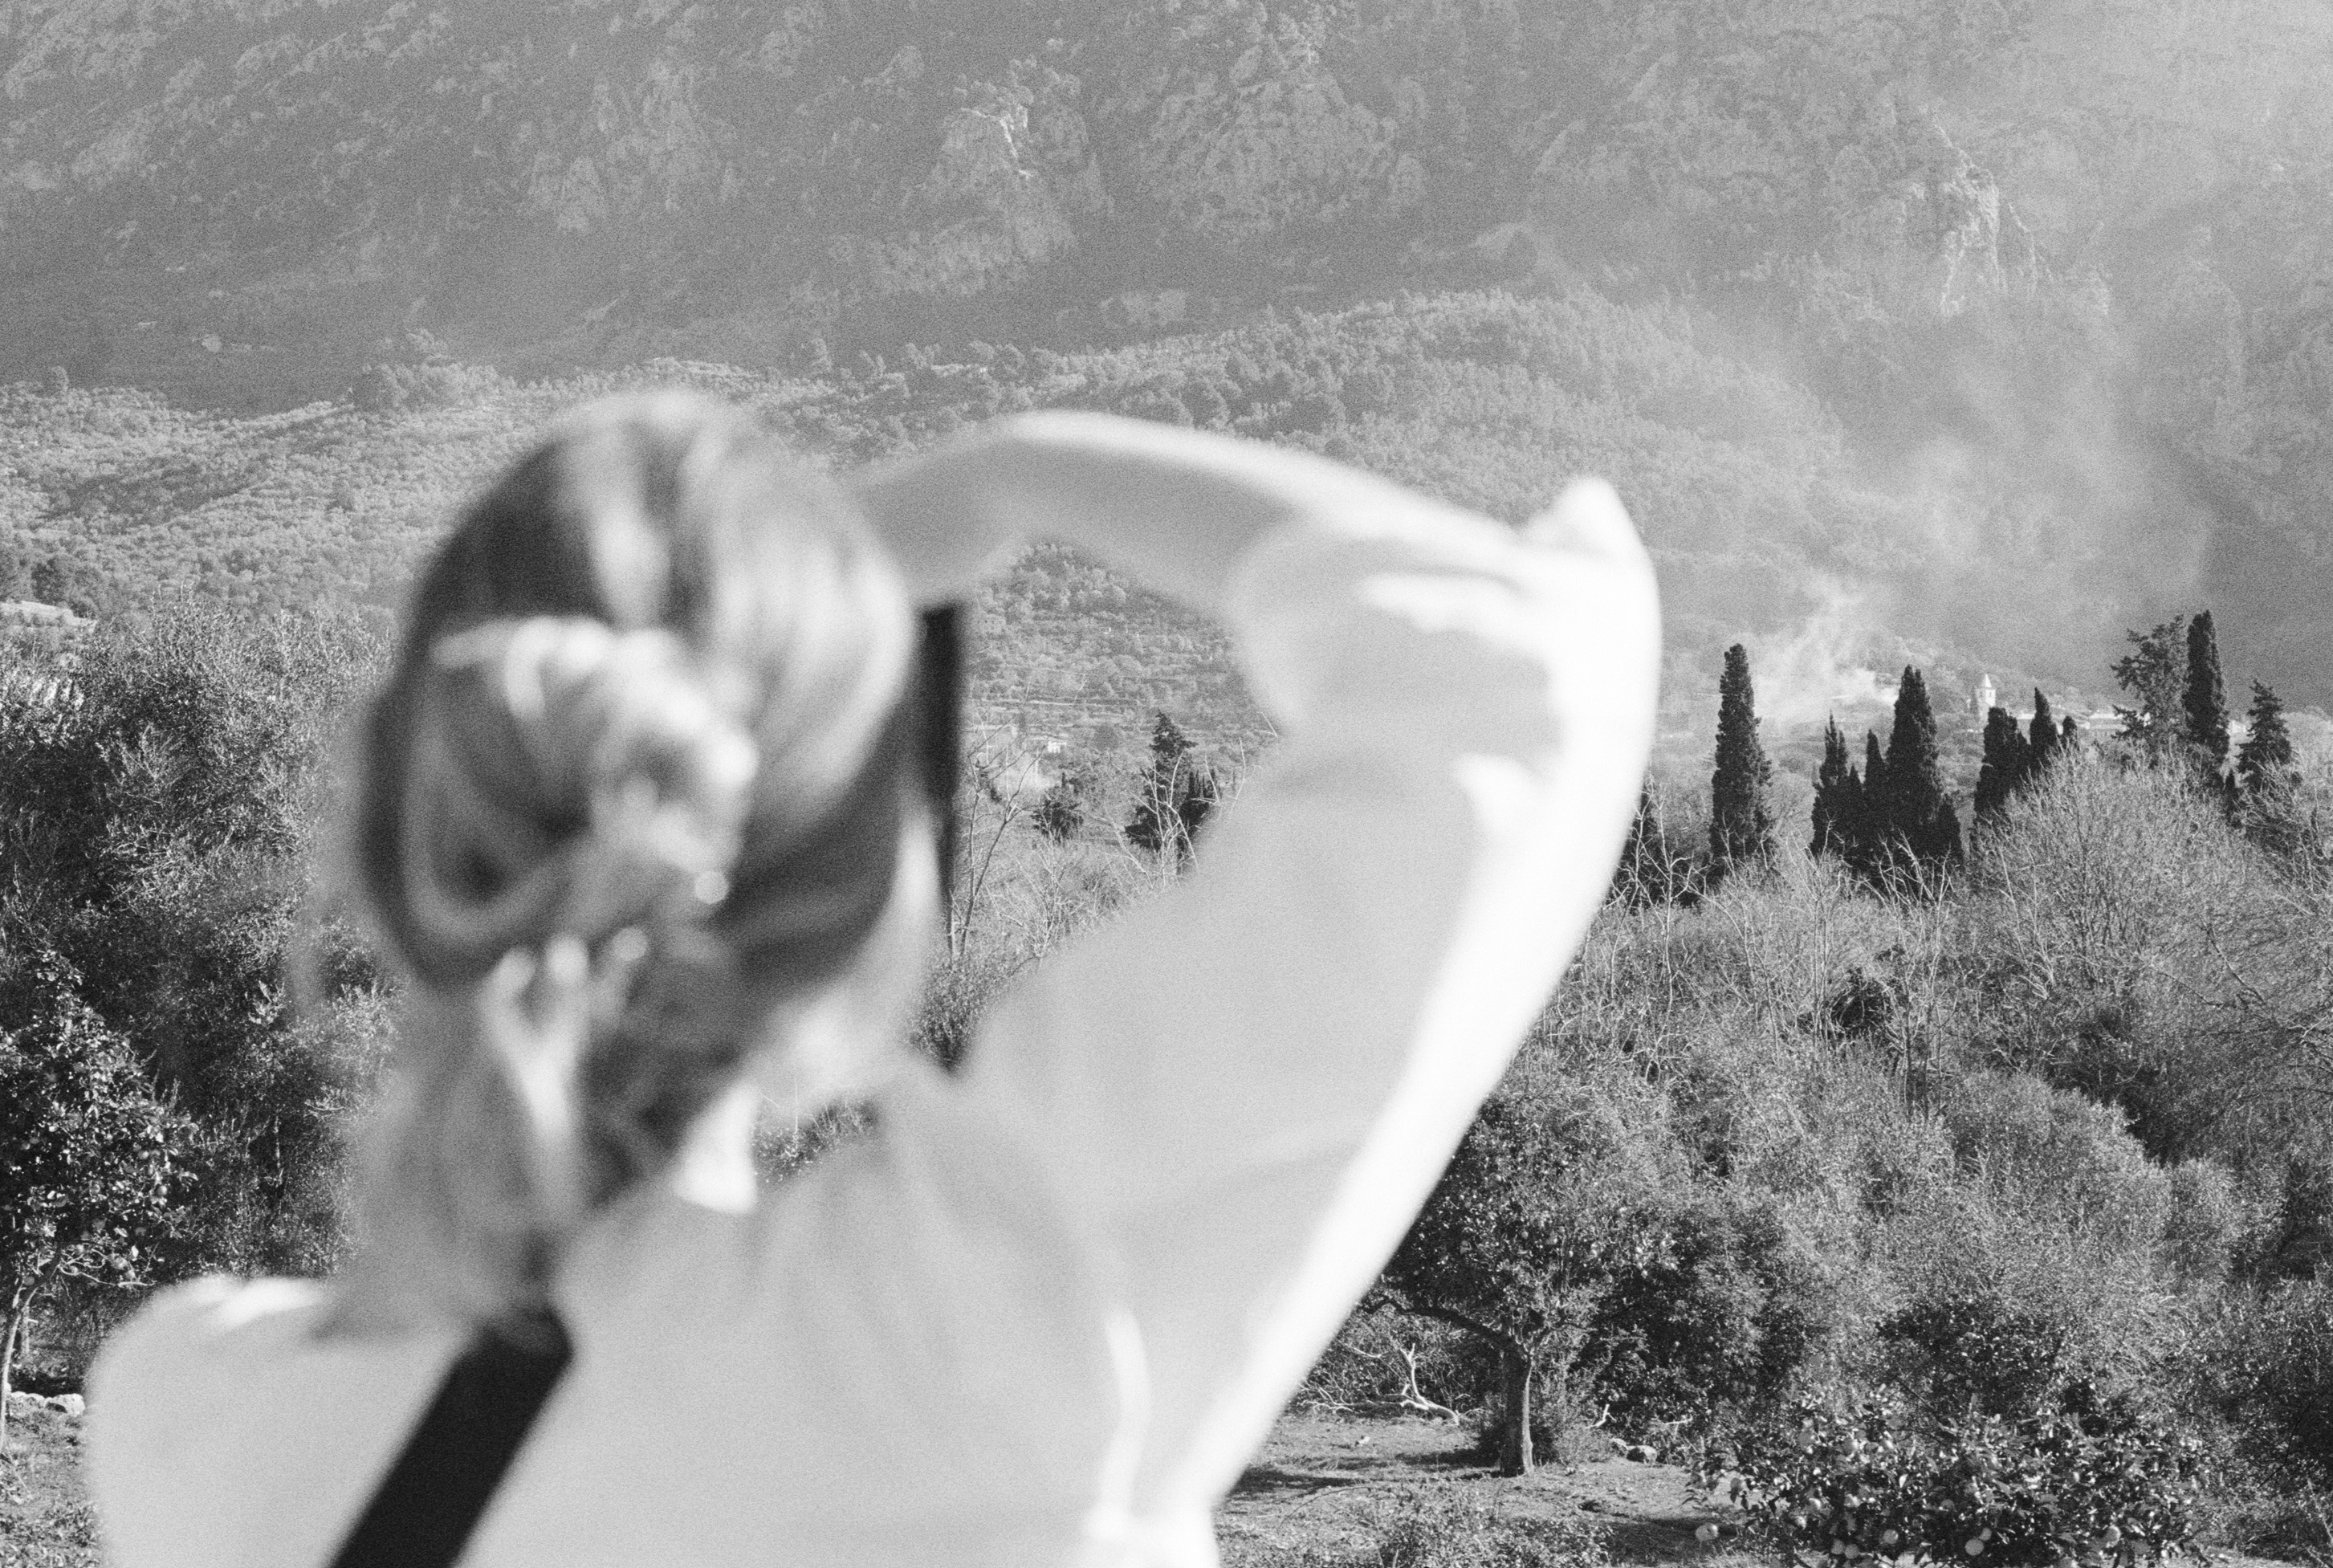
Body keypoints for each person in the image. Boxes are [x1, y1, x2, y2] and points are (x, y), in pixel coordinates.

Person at [86, 390, 1658, 1567]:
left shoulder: (186, 1425)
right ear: (863, 895)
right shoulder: (963, 1319)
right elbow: (1514, 674)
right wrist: (1010, 473)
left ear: (399, 847)